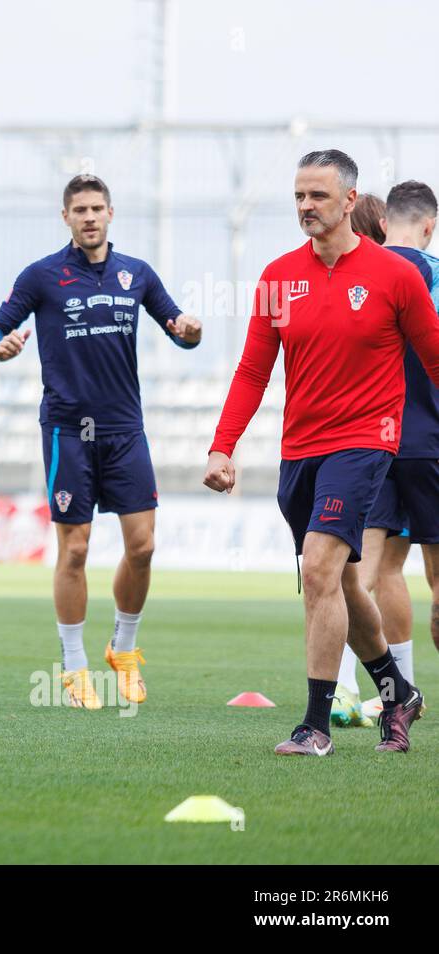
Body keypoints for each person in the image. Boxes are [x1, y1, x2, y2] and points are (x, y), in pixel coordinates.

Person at [205, 150, 438, 756]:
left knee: (318, 570)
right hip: (299, 450)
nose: (306, 207)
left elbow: (435, 359)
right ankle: (398, 690)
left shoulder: (396, 276)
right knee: (335, 583)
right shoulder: (279, 277)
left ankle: (313, 724)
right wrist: (221, 446)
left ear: (350, 200)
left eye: (318, 196)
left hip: (366, 441)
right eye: (300, 197)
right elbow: (254, 369)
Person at [0, 174, 202, 710]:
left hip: (125, 429)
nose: (89, 217)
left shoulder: (136, 274)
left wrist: (189, 331)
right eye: (79, 209)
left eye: (97, 208)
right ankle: (75, 666)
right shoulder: (42, 277)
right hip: (67, 432)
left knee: (143, 546)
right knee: (74, 549)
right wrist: (2, 346)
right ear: (66, 218)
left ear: (110, 213)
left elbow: (177, 326)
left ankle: (122, 649)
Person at [333, 180, 439, 726]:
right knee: (432, 582)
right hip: (431, 446)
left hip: (373, 442)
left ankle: (348, 690)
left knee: (362, 571)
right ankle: (393, 692)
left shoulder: (360, 275)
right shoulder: (433, 274)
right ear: (429, 225)